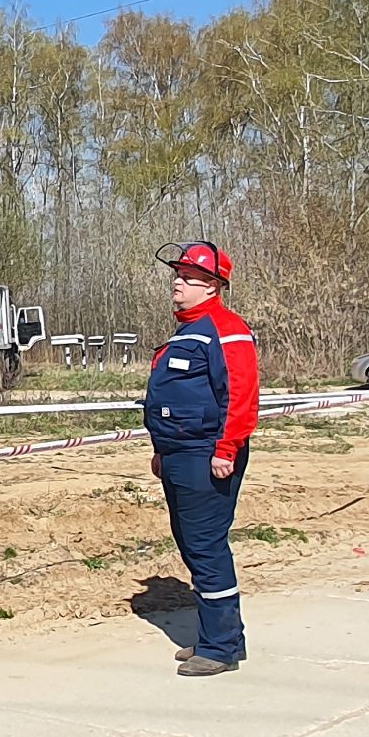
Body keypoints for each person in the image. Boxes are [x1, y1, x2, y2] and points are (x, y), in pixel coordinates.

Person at [142, 241, 258, 677]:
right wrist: (160, 450)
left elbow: (241, 395)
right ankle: (217, 634)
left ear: (212, 286)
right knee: (192, 545)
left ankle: (221, 648)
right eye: (178, 275)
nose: (178, 283)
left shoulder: (226, 329)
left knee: (206, 547)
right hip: (177, 454)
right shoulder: (187, 332)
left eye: (189, 277)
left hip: (206, 454)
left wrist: (226, 449)